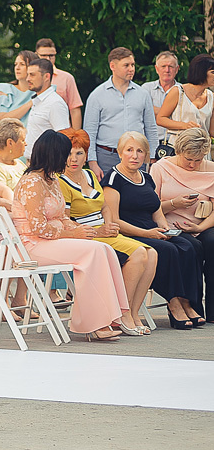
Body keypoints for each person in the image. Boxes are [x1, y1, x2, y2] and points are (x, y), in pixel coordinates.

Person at [10, 130, 130, 341]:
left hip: (52, 239)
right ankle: (94, 323)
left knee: (104, 248)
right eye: (65, 153)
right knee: (92, 253)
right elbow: (38, 227)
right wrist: (73, 233)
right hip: (32, 244)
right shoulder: (31, 182)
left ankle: (112, 316)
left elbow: (61, 217)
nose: (68, 159)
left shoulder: (52, 179)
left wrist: (82, 230)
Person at [102, 131, 206, 330]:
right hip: (130, 233)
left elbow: (156, 209)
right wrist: (147, 234)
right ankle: (174, 303)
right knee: (169, 250)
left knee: (190, 246)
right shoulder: (113, 179)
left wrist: (164, 227)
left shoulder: (145, 177)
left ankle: (187, 301)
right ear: (120, 152)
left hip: (152, 230)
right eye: (129, 150)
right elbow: (115, 221)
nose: (134, 156)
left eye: (140, 151)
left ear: (146, 154)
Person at [57, 128, 156, 334]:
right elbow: (65, 220)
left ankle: (134, 312)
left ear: (86, 155)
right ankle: (123, 313)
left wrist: (110, 226)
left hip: (104, 231)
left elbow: (104, 206)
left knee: (152, 254)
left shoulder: (90, 174)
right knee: (138, 253)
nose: (73, 159)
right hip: (85, 235)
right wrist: (100, 231)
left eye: (79, 153)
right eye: (69, 153)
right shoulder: (60, 181)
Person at [152, 128, 214, 316]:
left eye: (198, 159)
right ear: (179, 151)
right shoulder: (160, 168)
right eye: (188, 159)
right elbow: (150, 207)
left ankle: (212, 310)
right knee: (192, 247)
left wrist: (200, 227)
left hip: (202, 224)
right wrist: (174, 204)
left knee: (212, 242)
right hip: (170, 225)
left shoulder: (211, 168)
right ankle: (191, 305)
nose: (193, 164)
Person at [83, 47, 160, 180]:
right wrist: (92, 162)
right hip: (107, 157)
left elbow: (151, 128)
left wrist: (153, 158)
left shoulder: (143, 94)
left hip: (137, 157)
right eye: (126, 65)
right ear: (112, 66)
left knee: (136, 197)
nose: (131, 69)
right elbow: (89, 132)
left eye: (133, 65)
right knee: (108, 199)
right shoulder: (97, 95)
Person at [155, 54, 214, 148]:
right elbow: (161, 119)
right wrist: (184, 125)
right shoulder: (178, 91)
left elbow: (212, 130)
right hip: (179, 148)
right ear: (201, 72)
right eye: (213, 72)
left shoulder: (211, 97)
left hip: (201, 150)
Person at [23, 58, 71, 160]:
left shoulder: (55, 103)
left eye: (32, 75)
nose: (27, 79)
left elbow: (63, 140)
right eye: (28, 74)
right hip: (31, 163)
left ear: (46, 77)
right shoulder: (38, 101)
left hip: (45, 165)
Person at [34, 39, 83, 128]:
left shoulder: (66, 78)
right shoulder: (29, 78)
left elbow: (75, 109)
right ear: (36, 55)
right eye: (44, 55)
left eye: (51, 55)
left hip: (61, 131)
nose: (48, 59)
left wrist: (75, 138)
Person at [0, 50, 39, 123]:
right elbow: (2, 119)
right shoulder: (6, 89)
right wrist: (31, 102)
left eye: (22, 64)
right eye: (15, 64)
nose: (17, 68)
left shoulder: (40, 91)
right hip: (11, 133)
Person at [0, 118, 29, 191]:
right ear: (10, 143)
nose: (26, 144)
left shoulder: (19, 163)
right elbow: (3, 199)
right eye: (23, 140)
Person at [144, 50, 181, 116]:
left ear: (177, 69)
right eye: (163, 66)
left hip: (175, 127)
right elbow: (142, 110)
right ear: (157, 69)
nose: (167, 70)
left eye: (171, 67)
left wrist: (154, 110)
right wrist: (171, 112)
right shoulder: (147, 88)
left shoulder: (183, 90)